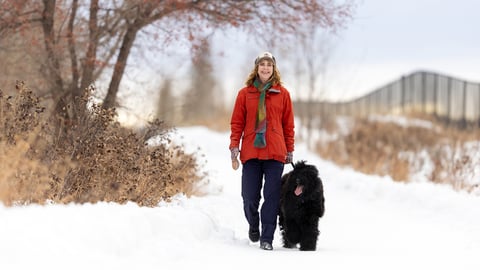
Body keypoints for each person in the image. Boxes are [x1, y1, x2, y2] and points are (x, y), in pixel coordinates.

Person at [229, 51, 295, 250]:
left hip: (275, 152)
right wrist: (234, 146)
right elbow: (237, 123)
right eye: (262, 64)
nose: (266, 68)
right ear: (256, 68)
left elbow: (288, 125)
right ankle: (253, 224)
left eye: (269, 64)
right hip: (251, 152)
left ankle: (267, 238)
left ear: (274, 69)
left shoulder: (283, 94)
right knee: (249, 196)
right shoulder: (244, 93)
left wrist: (289, 150)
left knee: (272, 196)